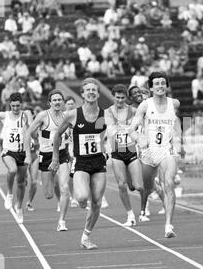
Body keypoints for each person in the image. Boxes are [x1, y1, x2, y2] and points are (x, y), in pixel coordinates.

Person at [49, 78, 107, 250]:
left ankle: (86, 237)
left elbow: (107, 133)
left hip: (99, 162)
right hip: (81, 162)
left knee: (96, 202)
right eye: (87, 90)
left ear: (97, 93)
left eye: (94, 90)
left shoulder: (105, 115)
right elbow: (57, 135)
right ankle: (82, 202)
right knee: (82, 198)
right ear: (82, 94)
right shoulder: (73, 115)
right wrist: (55, 158)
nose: (91, 92)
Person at [129, 72, 182, 238]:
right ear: (150, 87)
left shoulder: (174, 103)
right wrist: (139, 138)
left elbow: (177, 125)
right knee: (142, 187)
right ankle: (153, 187)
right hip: (148, 152)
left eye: (163, 83)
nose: (160, 86)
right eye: (156, 83)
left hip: (166, 150)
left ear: (166, 85)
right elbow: (132, 130)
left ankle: (168, 226)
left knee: (169, 183)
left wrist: (178, 143)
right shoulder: (145, 105)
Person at [25, 90, 71, 232]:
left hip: (62, 154)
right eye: (54, 100)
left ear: (62, 102)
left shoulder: (67, 116)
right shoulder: (43, 116)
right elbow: (28, 133)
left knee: (65, 188)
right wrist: (28, 154)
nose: (57, 102)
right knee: (48, 194)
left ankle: (62, 221)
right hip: (46, 156)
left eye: (59, 99)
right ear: (49, 103)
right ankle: (54, 184)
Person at [105, 84, 144, 227]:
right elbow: (103, 131)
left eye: (122, 98)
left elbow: (146, 117)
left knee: (138, 186)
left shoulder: (133, 111)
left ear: (126, 98)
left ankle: (144, 208)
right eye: (117, 97)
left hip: (132, 151)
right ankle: (130, 215)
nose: (120, 100)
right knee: (121, 185)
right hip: (117, 153)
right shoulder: (107, 112)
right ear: (113, 96)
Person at [0, 93, 32, 223]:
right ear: (10, 105)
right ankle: (9, 194)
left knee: (21, 182)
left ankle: (19, 207)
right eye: (13, 106)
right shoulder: (4, 115)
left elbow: (31, 130)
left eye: (17, 106)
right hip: (9, 151)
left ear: (21, 105)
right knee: (12, 170)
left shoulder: (25, 115)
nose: (15, 108)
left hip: (23, 152)